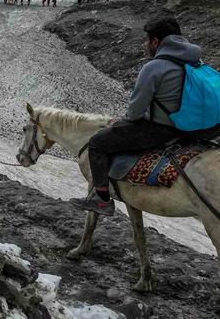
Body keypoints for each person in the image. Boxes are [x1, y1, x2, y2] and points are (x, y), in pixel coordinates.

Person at [70, 18, 205, 216]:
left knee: (98, 143)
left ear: (156, 42)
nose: (145, 45)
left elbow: (135, 112)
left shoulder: (154, 67)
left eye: (147, 40)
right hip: (190, 129)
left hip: (161, 129)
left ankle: (101, 199)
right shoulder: (196, 62)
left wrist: (125, 121)